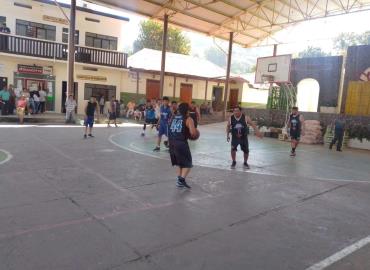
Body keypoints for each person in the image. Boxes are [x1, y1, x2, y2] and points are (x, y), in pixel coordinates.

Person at [169, 102, 198, 189]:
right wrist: (195, 134)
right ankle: (181, 180)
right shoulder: (188, 119)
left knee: (180, 163)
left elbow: (169, 128)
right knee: (188, 163)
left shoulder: (173, 117)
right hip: (181, 143)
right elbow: (193, 133)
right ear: (187, 111)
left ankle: (179, 180)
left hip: (172, 142)